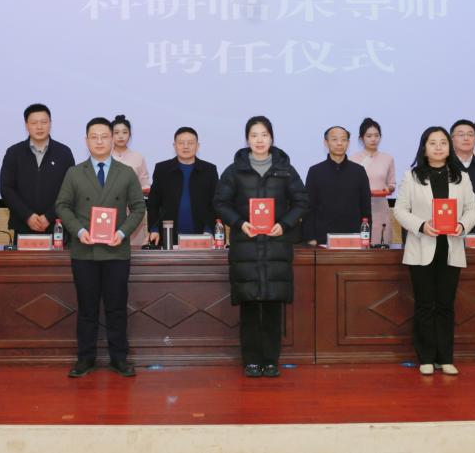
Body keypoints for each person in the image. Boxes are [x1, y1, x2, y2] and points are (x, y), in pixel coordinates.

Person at [213, 115, 309, 378]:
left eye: (264, 135)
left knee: (273, 307)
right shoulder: (234, 170)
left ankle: (271, 360)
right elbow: (220, 203)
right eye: (254, 135)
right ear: (247, 139)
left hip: (276, 247)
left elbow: (302, 201)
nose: (259, 140)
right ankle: (252, 360)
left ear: (272, 138)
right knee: (250, 307)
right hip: (246, 247)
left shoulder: (285, 170)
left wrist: (284, 224)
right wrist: (240, 223)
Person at [56, 117, 146, 378]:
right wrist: (79, 231)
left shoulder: (125, 172)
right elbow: (62, 206)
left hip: (116, 250)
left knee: (117, 308)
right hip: (84, 250)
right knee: (87, 308)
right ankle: (85, 358)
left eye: (104, 136)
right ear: (86, 141)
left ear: (113, 140)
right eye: (94, 137)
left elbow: (138, 207)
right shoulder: (74, 173)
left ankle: (119, 358)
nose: (99, 141)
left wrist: (122, 232)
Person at [394, 126, 475, 376]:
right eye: (433, 143)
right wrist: (421, 225)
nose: (439, 147)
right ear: (424, 148)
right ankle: (426, 357)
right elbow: (400, 210)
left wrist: (462, 225)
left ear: (449, 147)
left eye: (443, 142)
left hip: (450, 248)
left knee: (445, 305)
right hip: (422, 248)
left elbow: (473, 209)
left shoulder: (461, 177)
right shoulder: (412, 176)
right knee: (424, 304)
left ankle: (446, 357)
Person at [0, 103, 76, 244]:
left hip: (57, 226)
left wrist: (49, 216)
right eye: (34, 123)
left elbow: (70, 190)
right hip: (23, 225)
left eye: (44, 122)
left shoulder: (64, 153)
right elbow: (6, 188)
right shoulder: (14, 153)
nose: (39, 127)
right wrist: (27, 215)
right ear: (26, 125)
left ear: (50, 124)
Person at [146, 126, 219, 247]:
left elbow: (215, 204)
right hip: (167, 236)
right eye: (181, 143)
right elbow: (153, 204)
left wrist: (209, 230)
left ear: (197, 146)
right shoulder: (162, 169)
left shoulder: (209, 170)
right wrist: (154, 229)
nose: (186, 146)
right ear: (174, 146)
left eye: (190, 143)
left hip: (202, 235)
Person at [303, 126, 372, 246]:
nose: (339, 143)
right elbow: (308, 208)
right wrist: (310, 238)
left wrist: (366, 238)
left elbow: (365, 208)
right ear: (326, 143)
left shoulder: (359, 171)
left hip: (353, 239)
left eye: (343, 139)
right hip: (322, 240)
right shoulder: (315, 171)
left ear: (348, 143)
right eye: (334, 139)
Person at [350, 118, 397, 245]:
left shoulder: (388, 158)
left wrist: (389, 189)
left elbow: (392, 184)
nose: (373, 139)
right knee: (361, 246)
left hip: (380, 206)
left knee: (381, 245)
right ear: (361, 138)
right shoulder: (353, 159)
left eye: (377, 135)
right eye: (369, 136)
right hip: (359, 207)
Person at [110, 114, 152, 247]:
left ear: (130, 135)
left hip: (133, 212)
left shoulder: (138, 157)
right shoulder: (104, 156)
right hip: (109, 211)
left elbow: (145, 183)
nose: (121, 136)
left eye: (124, 132)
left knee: (135, 251)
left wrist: (143, 189)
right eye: (116, 132)